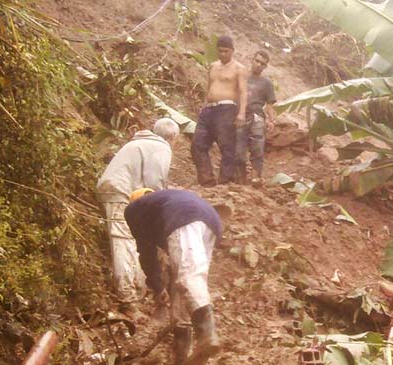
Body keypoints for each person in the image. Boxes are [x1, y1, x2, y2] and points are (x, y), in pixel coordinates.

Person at [125, 189, 223, 365]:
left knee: (189, 276)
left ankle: (207, 333)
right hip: (212, 222)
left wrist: (157, 287)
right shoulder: (165, 202)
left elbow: (147, 254)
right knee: (183, 284)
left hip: (186, 219)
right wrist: (165, 286)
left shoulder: (134, 210)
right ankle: (182, 356)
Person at [96, 118, 180, 317]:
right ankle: (128, 301)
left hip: (114, 188)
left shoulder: (139, 142)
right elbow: (154, 184)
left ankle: (136, 290)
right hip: (120, 191)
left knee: (130, 240)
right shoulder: (161, 147)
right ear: (173, 138)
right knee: (123, 242)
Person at [191, 35, 248, 186]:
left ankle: (225, 180)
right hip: (209, 109)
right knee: (198, 143)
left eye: (226, 51)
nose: (223, 54)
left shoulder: (239, 69)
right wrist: (204, 106)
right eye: (220, 51)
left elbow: (243, 92)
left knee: (227, 145)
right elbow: (209, 87)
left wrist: (241, 113)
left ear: (232, 51)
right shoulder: (213, 66)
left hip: (227, 108)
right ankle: (207, 180)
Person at [236, 50, 277, 182]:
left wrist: (271, 121)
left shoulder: (267, 83)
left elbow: (270, 105)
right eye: (257, 61)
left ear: (265, 66)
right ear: (252, 59)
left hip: (257, 117)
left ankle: (255, 178)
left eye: (262, 63)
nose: (258, 65)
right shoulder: (241, 77)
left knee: (257, 148)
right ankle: (240, 179)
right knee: (239, 150)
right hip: (240, 116)